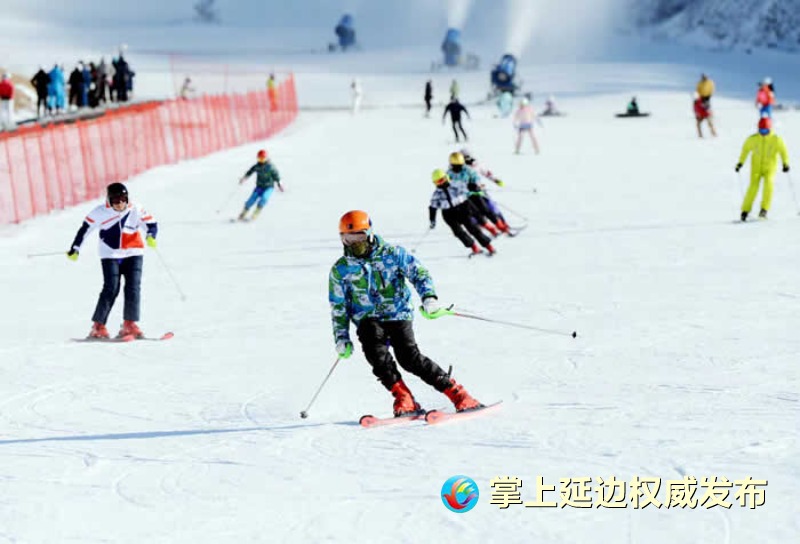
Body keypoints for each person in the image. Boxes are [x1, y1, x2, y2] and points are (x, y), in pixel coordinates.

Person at [329, 210, 483, 416]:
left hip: (397, 313)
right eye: (348, 238)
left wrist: (429, 298)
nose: (355, 244)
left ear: (370, 234)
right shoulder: (341, 269)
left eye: (360, 237)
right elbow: (338, 306)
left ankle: (458, 394)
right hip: (367, 318)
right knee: (376, 354)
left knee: (409, 358)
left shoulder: (393, 254)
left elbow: (419, 274)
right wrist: (341, 338)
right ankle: (404, 397)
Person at [66, 183, 158, 339]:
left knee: (133, 288)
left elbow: (151, 224)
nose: (120, 203)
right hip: (110, 254)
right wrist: (75, 248)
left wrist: (150, 236)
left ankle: (129, 324)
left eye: (123, 199)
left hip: (134, 252)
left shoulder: (136, 208)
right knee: (111, 288)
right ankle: (98, 326)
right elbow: (85, 229)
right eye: (115, 200)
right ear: (109, 200)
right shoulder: (100, 212)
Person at [429, 168, 497, 256]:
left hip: (462, 209)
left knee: (473, 229)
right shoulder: (437, 194)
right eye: (437, 182)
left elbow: (468, 192)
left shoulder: (456, 186)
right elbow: (432, 207)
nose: (441, 183)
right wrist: (432, 220)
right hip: (449, 214)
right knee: (459, 233)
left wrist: (477, 192)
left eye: (442, 180)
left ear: (446, 178)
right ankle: (474, 248)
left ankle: (489, 247)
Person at [735, 117, 789, 221]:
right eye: (761, 130)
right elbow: (745, 151)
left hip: (770, 168)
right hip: (756, 168)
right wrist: (740, 163)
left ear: (770, 129)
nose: (763, 133)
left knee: (768, 185)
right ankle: (745, 211)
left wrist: (785, 163)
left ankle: (764, 210)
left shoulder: (776, 139)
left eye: (766, 130)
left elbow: (783, 152)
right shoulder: (752, 139)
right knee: (752, 188)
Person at [446, 151, 510, 236]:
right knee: (475, 214)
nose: (458, 168)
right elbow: (447, 184)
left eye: (459, 165)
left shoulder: (467, 169)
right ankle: (489, 229)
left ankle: (501, 225)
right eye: (455, 166)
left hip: (474, 192)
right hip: (464, 197)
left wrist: (477, 185)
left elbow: (475, 177)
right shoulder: (449, 173)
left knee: (486, 209)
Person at [237, 149, 283, 221]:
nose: (261, 161)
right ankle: (243, 213)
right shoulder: (257, 166)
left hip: (268, 187)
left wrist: (279, 184)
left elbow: (276, 175)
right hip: (259, 187)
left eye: (262, 159)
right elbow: (250, 171)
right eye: (259, 159)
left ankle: (255, 214)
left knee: (264, 199)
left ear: (266, 158)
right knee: (251, 200)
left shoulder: (270, 166)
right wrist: (244, 178)